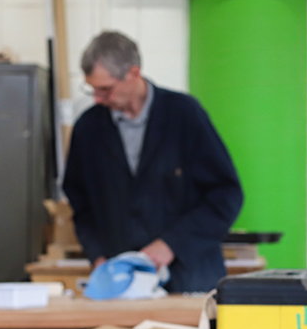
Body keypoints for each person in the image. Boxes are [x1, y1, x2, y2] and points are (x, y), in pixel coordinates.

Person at [63, 31, 243, 293]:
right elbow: (80, 205)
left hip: (190, 279)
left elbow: (225, 195)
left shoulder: (184, 115)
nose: (98, 99)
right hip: (122, 284)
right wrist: (98, 256)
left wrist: (172, 244)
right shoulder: (88, 129)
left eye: (105, 89)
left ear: (134, 74)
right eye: (92, 90)